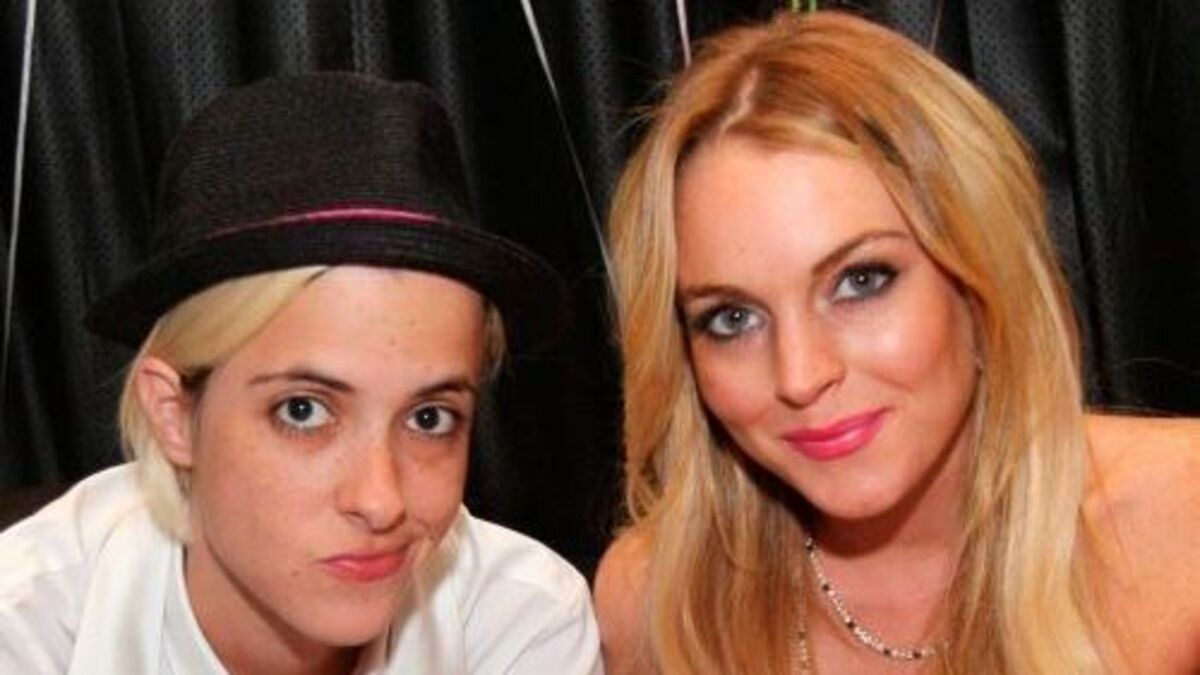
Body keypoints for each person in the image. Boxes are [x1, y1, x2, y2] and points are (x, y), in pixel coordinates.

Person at [595, 11, 1200, 674]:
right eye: (732, 318)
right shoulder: (659, 601)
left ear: (979, 272)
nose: (800, 375)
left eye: (861, 281)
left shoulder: (1185, 525)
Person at [0, 73, 603, 674]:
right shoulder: (29, 630)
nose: (381, 501)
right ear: (174, 414)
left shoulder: (518, 626)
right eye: (303, 410)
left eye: (429, 418)